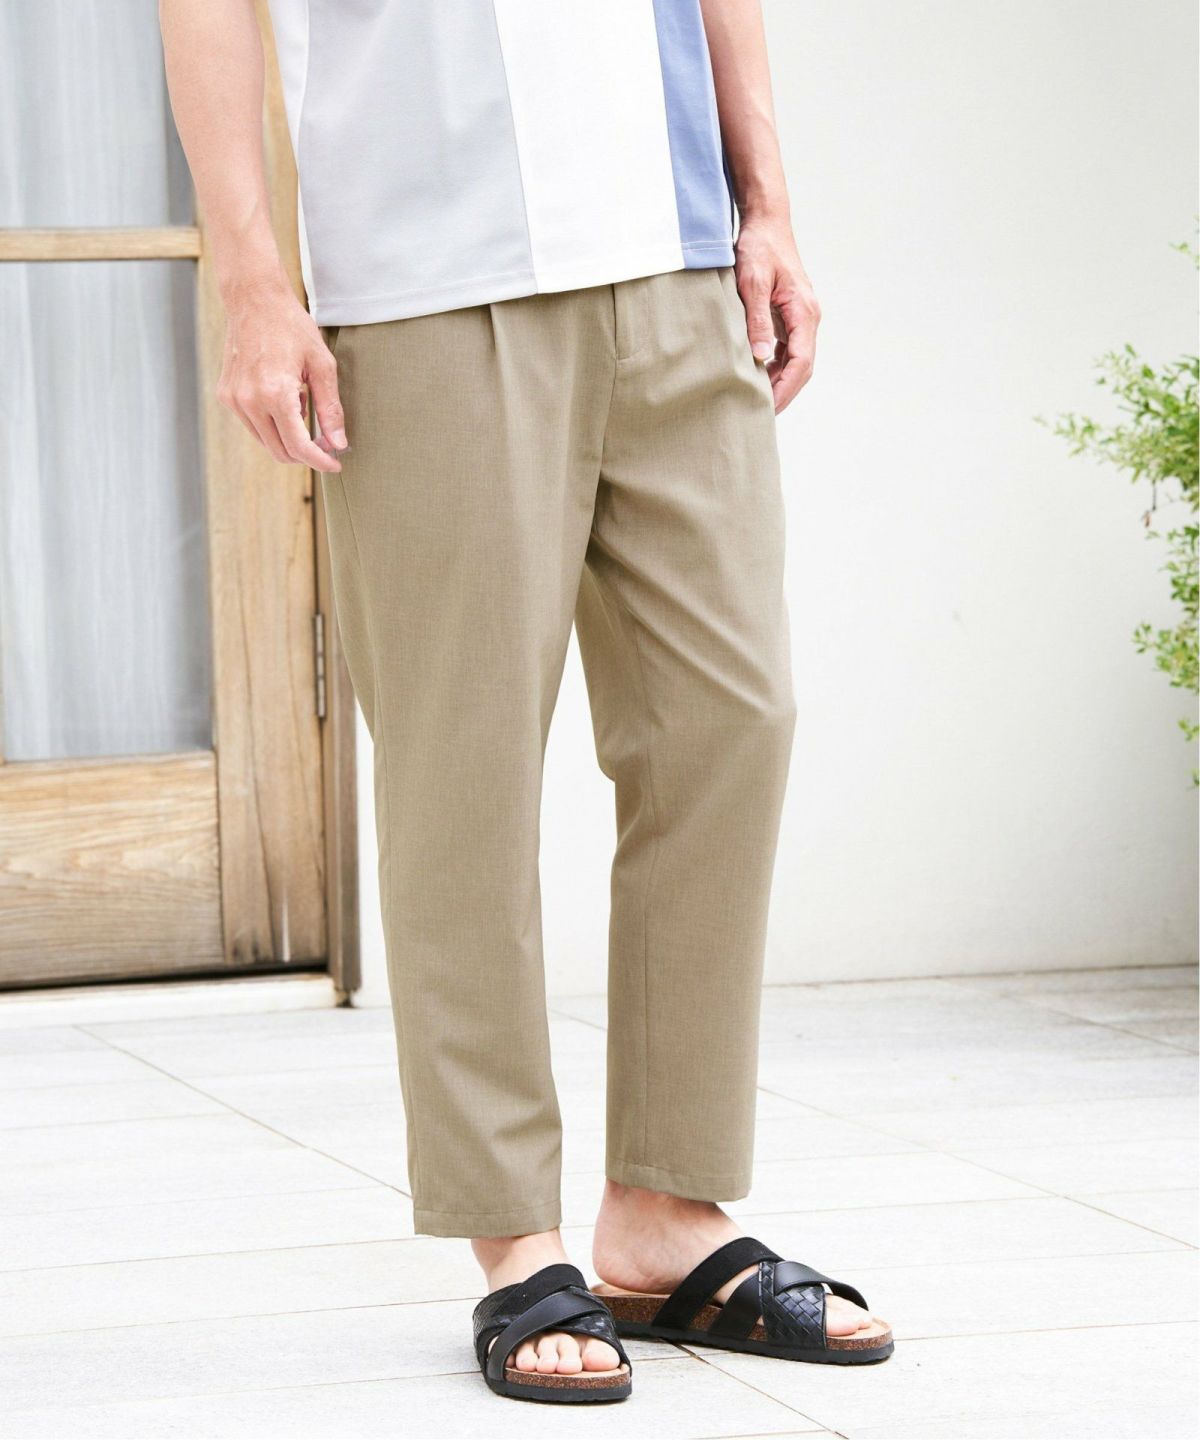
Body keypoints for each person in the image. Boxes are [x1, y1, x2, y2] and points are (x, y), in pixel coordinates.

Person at [161, 0, 892, 1405]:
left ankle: (667, 1214)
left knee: (731, 722)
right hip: (428, 276)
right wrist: (255, 282)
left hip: (677, 253)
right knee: (466, 769)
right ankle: (513, 1235)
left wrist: (766, 201)